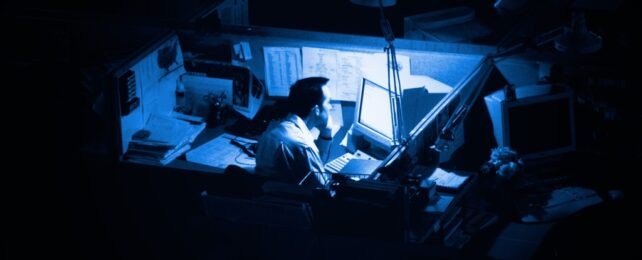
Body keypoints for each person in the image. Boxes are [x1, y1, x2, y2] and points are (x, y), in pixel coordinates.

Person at [255, 77, 334, 187]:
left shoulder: (277, 129)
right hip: (291, 201)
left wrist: (326, 132)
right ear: (316, 110)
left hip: (270, 196)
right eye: (328, 102)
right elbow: (322, 188)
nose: (330, 107)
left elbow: (316, 164)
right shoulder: (303, 145)